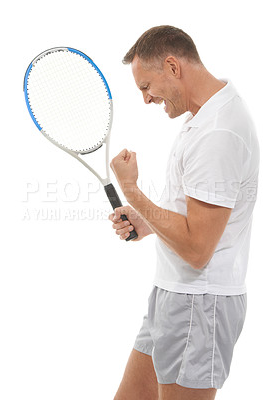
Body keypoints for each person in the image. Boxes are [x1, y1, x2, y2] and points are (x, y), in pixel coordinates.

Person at [109, 25, 260, 400]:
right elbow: (194, 217)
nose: (146, 100)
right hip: (173, 295)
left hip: (199, 304)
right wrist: (147, 224)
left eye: (146, 87)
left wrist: (131, 190)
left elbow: (197, 249)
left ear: (173, 67)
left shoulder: (219, 132)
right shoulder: (204, 115)